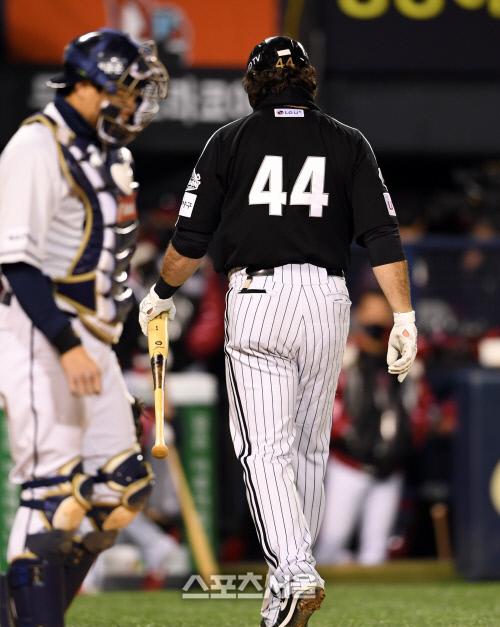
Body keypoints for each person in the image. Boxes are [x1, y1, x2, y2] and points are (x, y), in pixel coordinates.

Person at [138, 36, 417, 627]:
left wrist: (160, 294)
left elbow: (190, 241)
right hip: (326, 298)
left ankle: (294, 571)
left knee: (263, 449)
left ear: (253, 83)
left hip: (259, 297)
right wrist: (405, 316)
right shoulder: (348, 142)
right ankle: (281, 597)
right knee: (311, 448)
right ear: (308, 81)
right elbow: (383, 237)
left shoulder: (229, 140)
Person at [0, 28, 168, 627]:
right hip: (38, 331)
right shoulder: (36, 147)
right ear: (96, 84)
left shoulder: (104, 153)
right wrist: (67, 345)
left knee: (118, 492)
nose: (135, 103)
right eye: (129, 89)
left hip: (89, 339)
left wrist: (99, 355)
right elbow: (16, 261)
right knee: (53, 500)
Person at [314, 290, 422, 566]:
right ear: (359, 314)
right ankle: (319, 605)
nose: (375, 317)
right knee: (331, 543)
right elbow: (325, 405)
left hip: (391, 468)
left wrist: (404, 442)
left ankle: (374, 609)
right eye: (370, 310)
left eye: (381, 311)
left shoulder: (406, 356)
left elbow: (420, 408)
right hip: (349, 464)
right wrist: (349, 436)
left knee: (376, 549)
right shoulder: (344, 354)